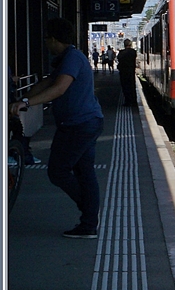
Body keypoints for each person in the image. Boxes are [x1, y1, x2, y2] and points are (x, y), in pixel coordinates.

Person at [9, 18, 104, 239]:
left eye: (46, 39)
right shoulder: (68, 57)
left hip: (78, 125)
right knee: (84, 172)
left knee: (58, 172)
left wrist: (27, 103)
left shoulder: (71, 59)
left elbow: (59, 89)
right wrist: (23, 97)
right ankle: (89, 222)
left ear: (53, 39)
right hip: (86, 122)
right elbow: (48, 83)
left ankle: (89, 211)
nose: (45, 44)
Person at [117, 39, 138, 107]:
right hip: (131, 71)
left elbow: (119, 58)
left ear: (124, 44)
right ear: (130, 44)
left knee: (125, 87)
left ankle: (127, 101)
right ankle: (134, 101)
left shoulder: (121, 52)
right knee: (132, 86)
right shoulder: (133, 52)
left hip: (123, 72)